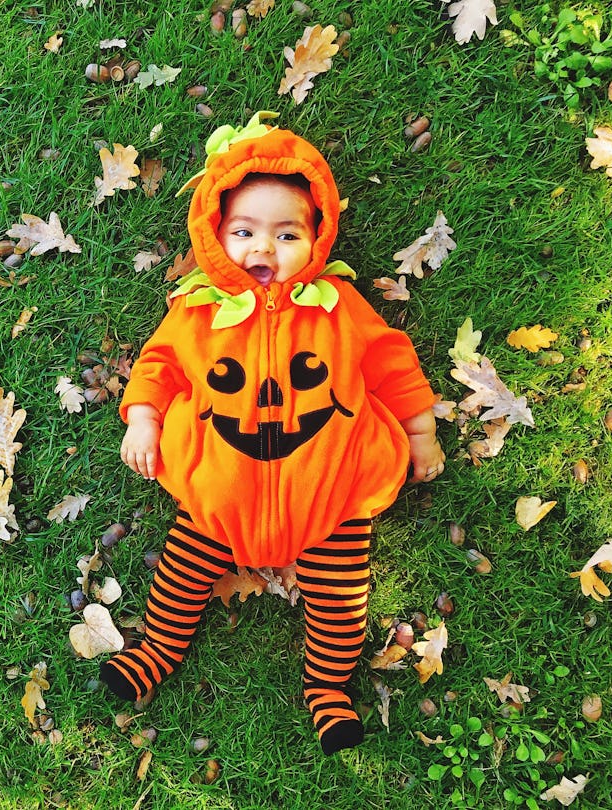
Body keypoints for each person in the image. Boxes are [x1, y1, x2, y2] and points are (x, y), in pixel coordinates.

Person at [100, 112, 445, 755]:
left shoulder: (340, 308)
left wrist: (420, 430)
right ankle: (155, 652)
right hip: (217, 495)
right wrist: (143, 417)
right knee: (180, 571)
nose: (264, 248)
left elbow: (391, 362)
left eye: (287, 233)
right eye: (244, 231)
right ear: (214, 235)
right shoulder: (197, 312)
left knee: (342, 599)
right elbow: (159, 366)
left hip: (329, 499)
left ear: (316, 238)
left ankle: (329, 690)